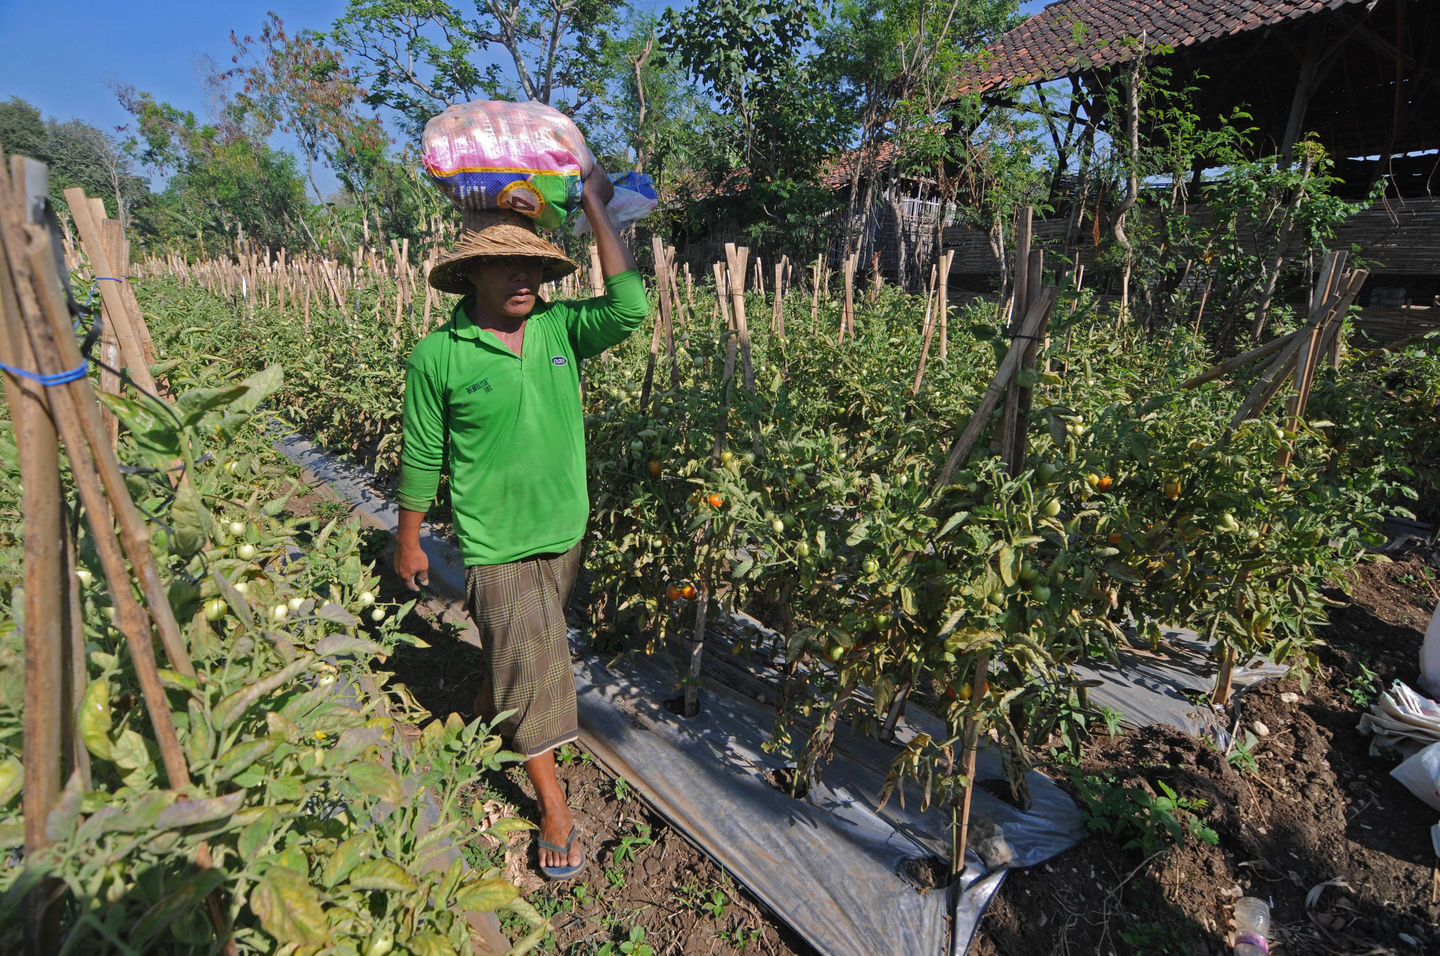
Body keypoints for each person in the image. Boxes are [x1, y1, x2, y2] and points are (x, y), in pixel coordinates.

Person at [393, 166, 646, 880]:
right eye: (506, 262)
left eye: (533, 262)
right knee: (536, 672)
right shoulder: (439, 357)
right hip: (496, 542)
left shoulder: (562, 330)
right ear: (470, 274)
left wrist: (598, 208)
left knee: (525, 652)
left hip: (564, 530)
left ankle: (485, 697)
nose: (525, 276)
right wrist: (409, 537)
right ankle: (555, 809)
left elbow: (629, 308)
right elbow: (421, 455)